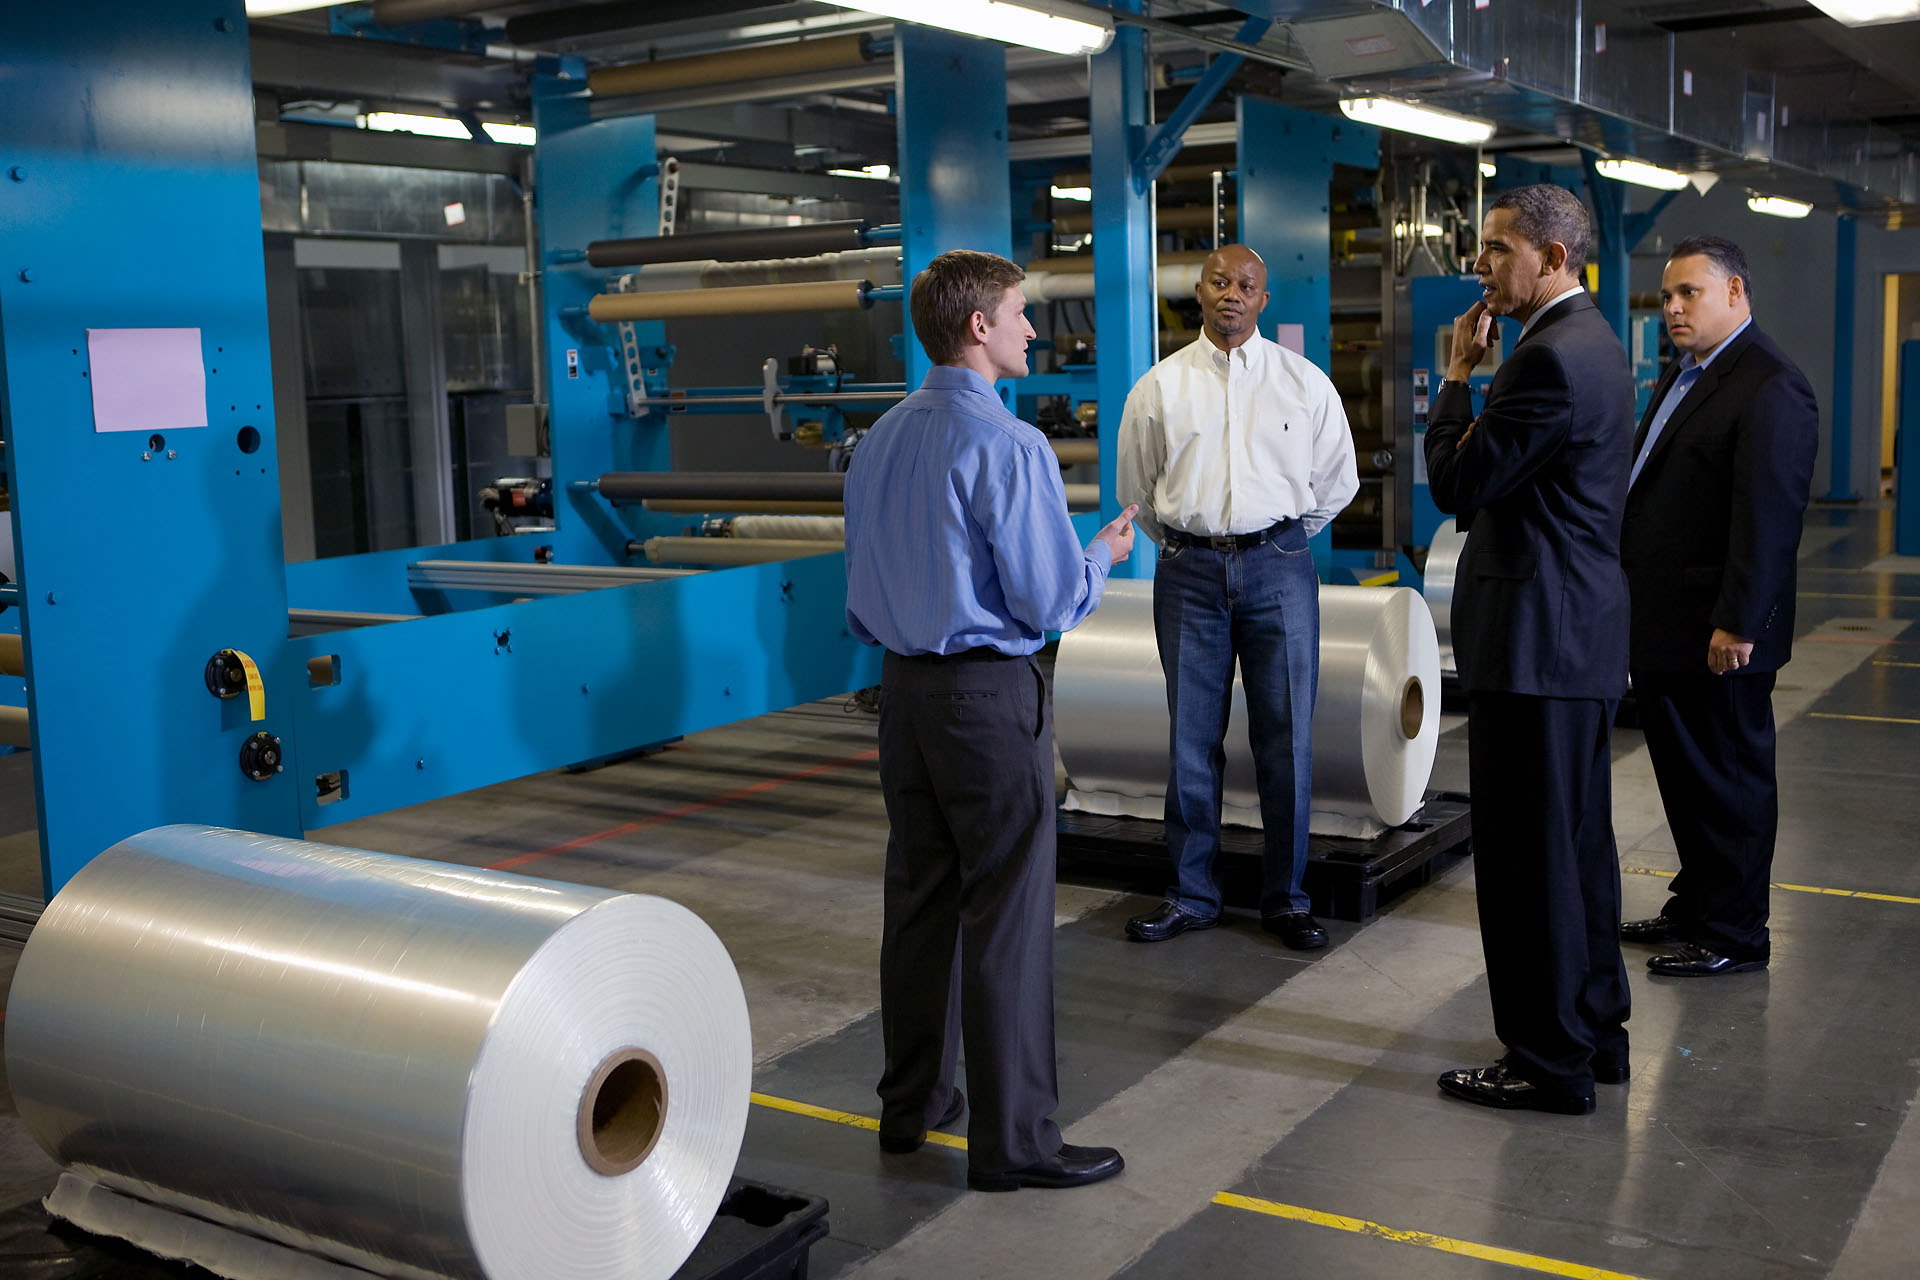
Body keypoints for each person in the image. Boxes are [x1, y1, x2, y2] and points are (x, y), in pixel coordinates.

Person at [844, 248, 1138, 1192]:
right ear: (979, 328)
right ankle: (1017, 1144)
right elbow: (1050, 598)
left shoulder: (880, 438)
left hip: (904, 697)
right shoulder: (1009, 446)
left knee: (920, 903)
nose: (1029, 331)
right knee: (1007, 914)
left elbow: (860, 594)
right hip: (983, 698)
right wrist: (1100, 557)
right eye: (1019, 314)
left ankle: (912, 1106)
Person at [1423, 185, 1635, 1116]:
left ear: (1552, 258)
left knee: (1525, 864)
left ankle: (1546, 1064)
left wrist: (1455, 381)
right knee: (1578, 845)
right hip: (1576, 640)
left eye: (1498, 250)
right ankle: (1595, 1034)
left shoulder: (1545, 363)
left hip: (1534, 646)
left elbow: (1454, 481)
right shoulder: (1595, 343)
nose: (1483, 267)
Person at [1115, 244, 1359, 950]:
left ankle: (1286, 899)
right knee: (1191, 740)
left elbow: (1335, 484)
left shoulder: (1304, 385)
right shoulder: (1159, 389)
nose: (1232, 294)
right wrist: (1196, 543)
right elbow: (1140, 492)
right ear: (1199, 291)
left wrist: (1274, 540)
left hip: (1280, 566)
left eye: (1247, 284)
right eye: (1220, 281)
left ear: (1263, 299)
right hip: (1188, 574)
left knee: (1286, 739)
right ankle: (1193, 895)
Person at [1618, 236, 1818, 976]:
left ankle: (1735, 933)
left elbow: (1767, 520)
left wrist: (1739, 622)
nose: (1672, 308)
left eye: (1688, 294)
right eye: (1666, 296)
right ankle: (1697, 906)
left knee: (1729, 781)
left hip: (1717, 631)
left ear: (1736, 293)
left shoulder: (1768, 385)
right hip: (1668, 623)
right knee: (1686, 777)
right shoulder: (1690, 376)